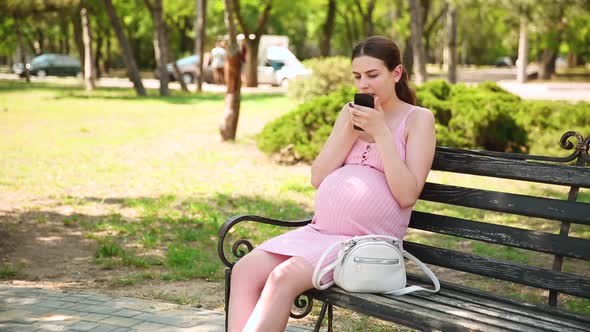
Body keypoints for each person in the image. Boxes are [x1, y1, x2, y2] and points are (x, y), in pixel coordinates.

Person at [227, 36, 436, 332]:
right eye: (357, 76)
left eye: (373, 75)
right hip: (320, 232)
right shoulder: (349, 114)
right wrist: (351, 131)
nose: (363, 85)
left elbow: (406, 195)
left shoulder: (418, 120)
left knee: (281, 278)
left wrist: (381, 134)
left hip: (365, 242)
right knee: (244, 270)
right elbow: (318, 178)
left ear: (396, 73)